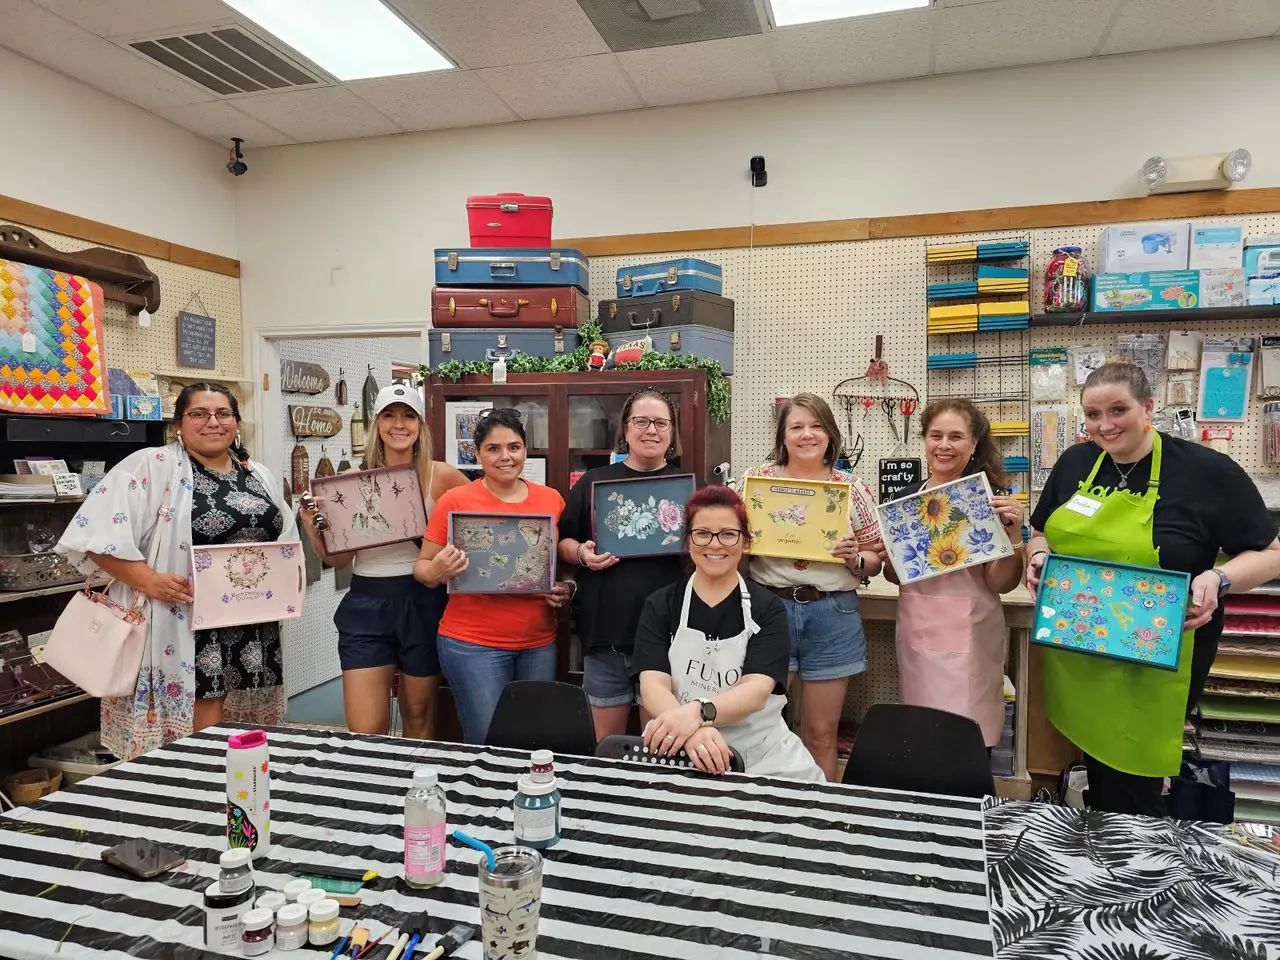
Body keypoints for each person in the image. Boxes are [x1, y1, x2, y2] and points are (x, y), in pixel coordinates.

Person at [1027, 361, 1280, 816]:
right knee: (1098, 767)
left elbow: (1271, 552)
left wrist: (1217, 579)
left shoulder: (1206, 472)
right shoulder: (1076, 462)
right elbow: (1042, 530)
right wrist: (1039, 556)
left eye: (1118, 410)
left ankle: (1137, 871)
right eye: (1092, 414)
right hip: (1081, 648)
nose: (1105, 425)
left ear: (1148, 407)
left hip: (1157, 656)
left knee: (1135, 783)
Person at [56, 383, 295, 761]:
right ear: (179, 424)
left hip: (248, 620)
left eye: (223, 414)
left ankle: (236, 792)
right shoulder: (153, 466)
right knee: (199, 731)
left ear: (235, 422)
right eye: (199, 414)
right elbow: (94, 535)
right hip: (180, 619)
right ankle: (194, 798)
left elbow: (285, 541)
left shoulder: (258, 473)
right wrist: (149, 580)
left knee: (238, 732)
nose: (212, 422)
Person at [299, 384, 467, 739]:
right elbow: (340, 558)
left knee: (419, 715)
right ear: (376, 424)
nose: (399, 424)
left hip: (424, 598)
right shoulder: (348, 483)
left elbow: (475, 528)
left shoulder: (444, 477)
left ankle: (417, 789)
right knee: (365, 727)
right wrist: (311, 526)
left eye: (408, 415)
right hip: (367, 601)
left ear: (421, 424)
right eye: (389, 415)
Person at [739, 393, 884, 780]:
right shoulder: (757, 482)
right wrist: (741, 540)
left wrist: (855, 558)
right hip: (768, 610)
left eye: (817, 426)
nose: (807, 434)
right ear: (783, 437)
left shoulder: (852, 488)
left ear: (830, 434)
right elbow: (726, 541)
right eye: (797, 427)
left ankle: (821, 823)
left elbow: (876, 559)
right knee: (759, 728)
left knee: (821, 734)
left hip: (832, 612)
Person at [633, 485, 823, 780]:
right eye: (703, 533)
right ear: (689, 540)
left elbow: (756, 692)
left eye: (728, 534)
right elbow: (653, 685)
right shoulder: (661, 604)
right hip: (681, 750)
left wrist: (696, 714)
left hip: (763, 756)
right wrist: (691, 733)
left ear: (745, 541)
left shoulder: (768, 609)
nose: (715, 544)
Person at [415, 408, 574, 744]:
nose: (506, 457)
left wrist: (566, 588)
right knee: (487, 742)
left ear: (525, 450)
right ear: (478, 453)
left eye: (514, 447)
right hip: (472, 646)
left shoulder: (551, 500)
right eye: (494, 449)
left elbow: (564, 567)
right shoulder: (455, 500)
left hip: (538, 644)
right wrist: (440, 569)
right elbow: (423, 571)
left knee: (534, 742)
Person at [877, 399, 1026, 748]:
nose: (944, 445)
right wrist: (889, 558)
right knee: (921, 738)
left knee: (967, 739)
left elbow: (1000, 583)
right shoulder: (907, 500)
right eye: (935, 435)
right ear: (924, 441)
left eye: (956, 437)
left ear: (973, 444)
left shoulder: (989, 501)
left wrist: (1014, 537)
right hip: (918, 632)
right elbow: (896, 576)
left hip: (973, 635)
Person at [558, 388, 695, 740]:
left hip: (669, 640)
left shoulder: (690, 490)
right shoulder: (593, 482)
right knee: (609, 749)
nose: (651, 430)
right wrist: (582, 554)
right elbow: (563, 542)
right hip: (606, 637)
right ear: (625, 429)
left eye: (661, 422)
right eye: (641, 421)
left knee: (661, 748)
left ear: (672, 432)